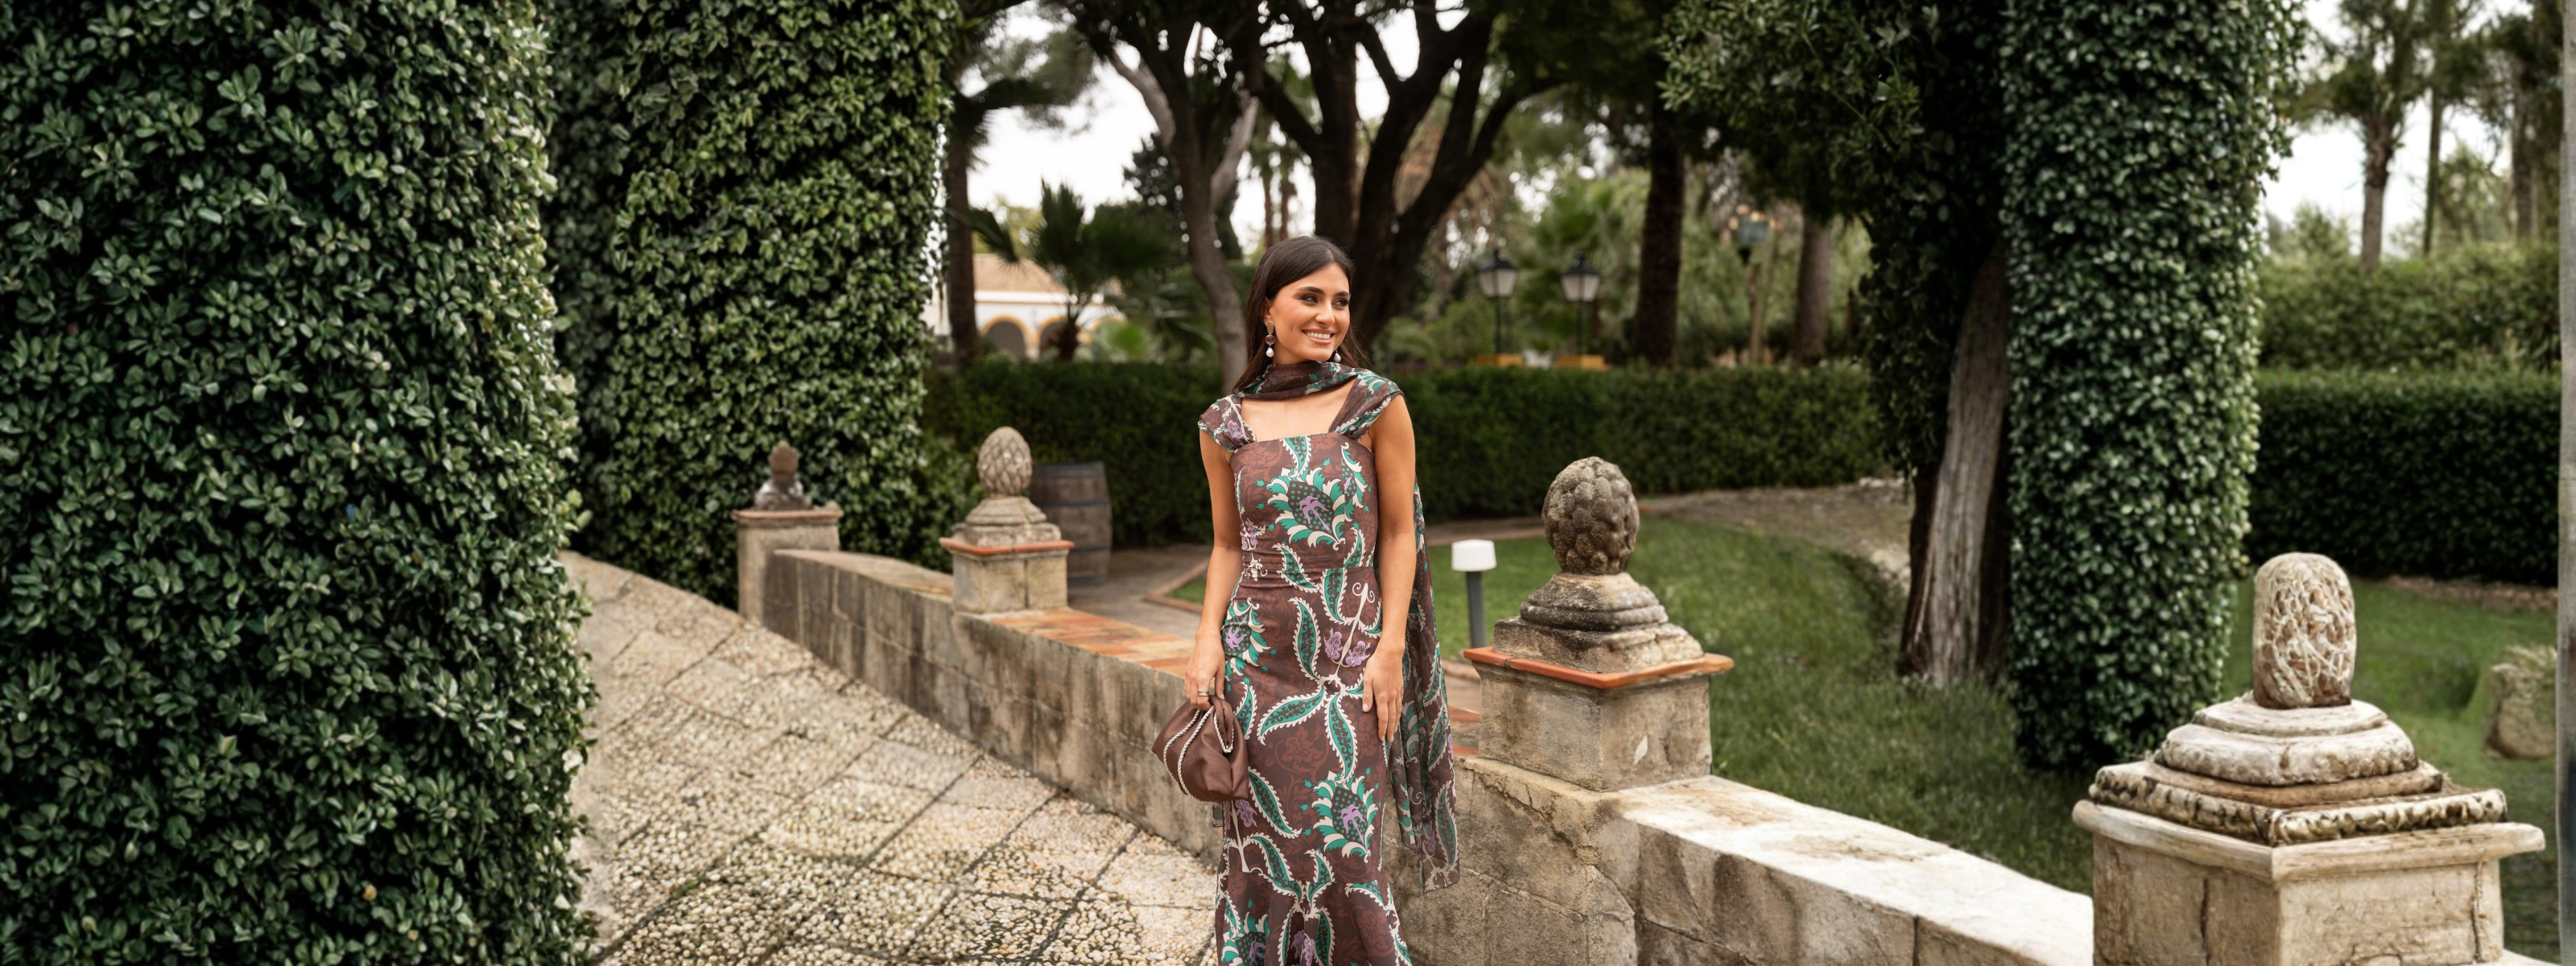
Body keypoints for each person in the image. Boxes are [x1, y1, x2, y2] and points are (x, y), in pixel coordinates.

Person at [1187, 235, 1458, 964]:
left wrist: (1391, 648)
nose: (1329, 316)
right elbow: (1226, 547)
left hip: (1347, 664)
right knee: (1259, 849)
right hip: (1255, 666)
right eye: (1310, 297)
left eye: (1339, 301)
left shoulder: (1373, 404)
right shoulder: (1225, 425)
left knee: (1345, 851)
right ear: (1267, 310)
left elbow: (1399, 536)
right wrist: (1207, 638)